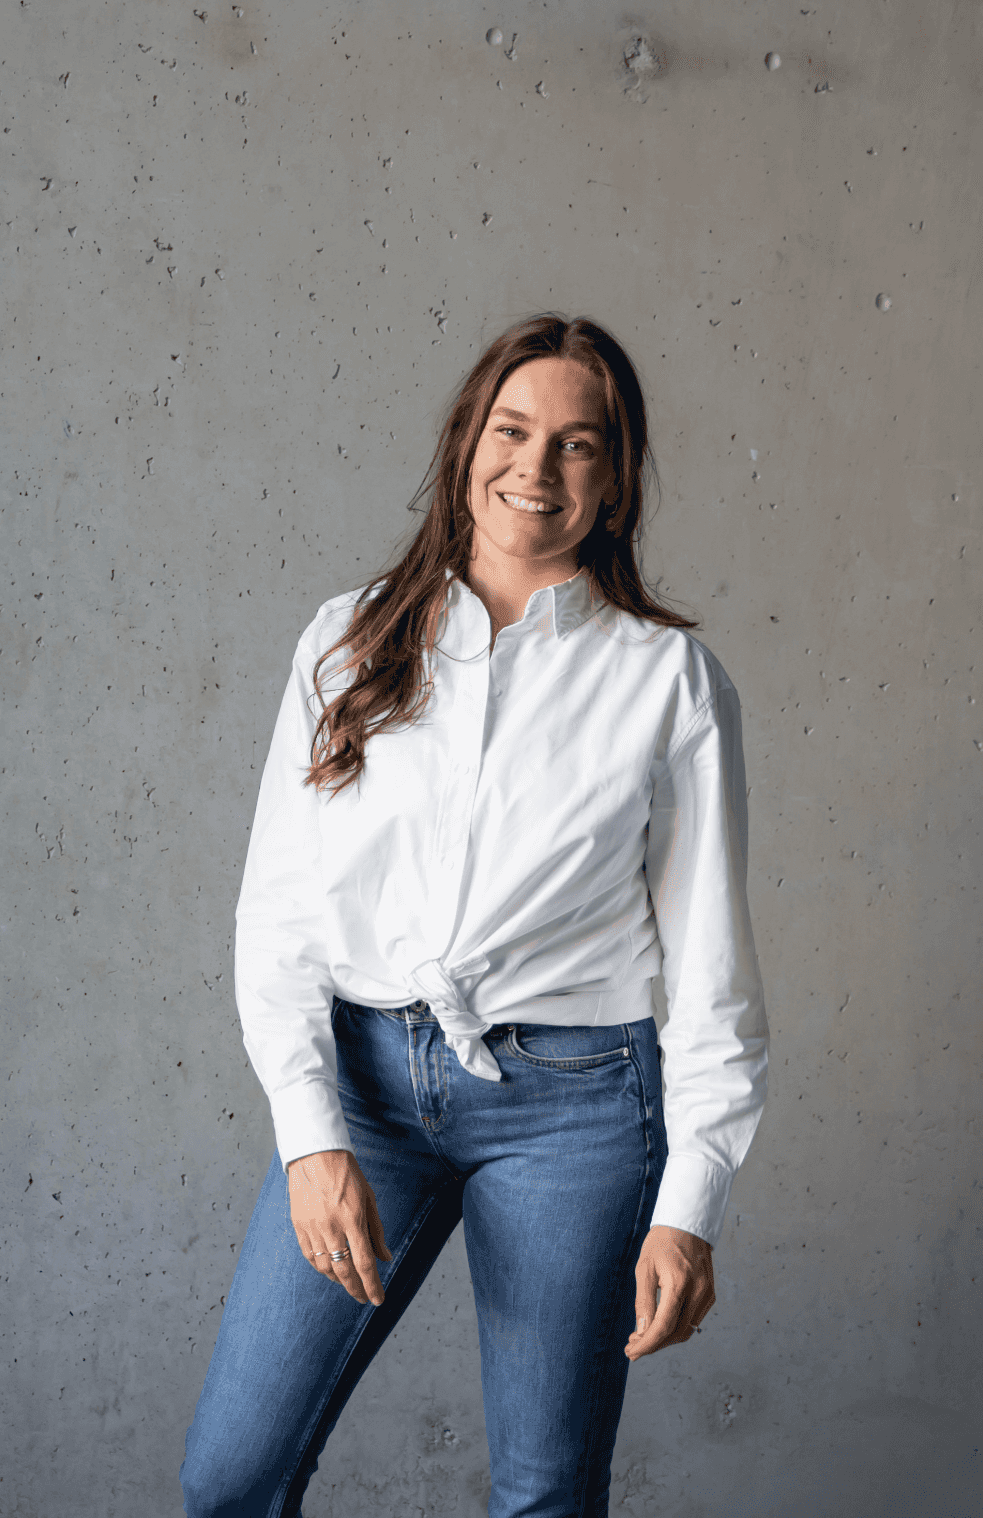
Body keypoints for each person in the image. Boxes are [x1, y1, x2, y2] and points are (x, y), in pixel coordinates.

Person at [179, 315, 770, 1518]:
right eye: (512, 430)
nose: (535, 467)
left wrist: (691, 1203)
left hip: (577, 1109)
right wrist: (310, 1134)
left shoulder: (667, 681)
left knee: (544, 1498)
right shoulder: (347, 643)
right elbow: (280, 915)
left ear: (615, 478)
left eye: (577, 443)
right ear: (466, 443)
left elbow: (714, 973)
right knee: (231, 1477)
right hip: (366, 1087)